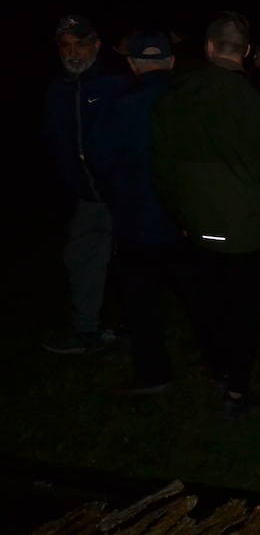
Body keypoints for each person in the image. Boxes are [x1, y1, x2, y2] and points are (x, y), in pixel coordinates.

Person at [152, 12, 260, 417]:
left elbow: (161, 170)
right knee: (244, 311)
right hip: (248, 233)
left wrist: (181, 214)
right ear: (246, 52)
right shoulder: (255, 104)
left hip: (197, 228)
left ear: (209, 48)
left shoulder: (173, 99)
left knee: (209, 303)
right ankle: (236, 393)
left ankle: (219, 369)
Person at [84, 31, 187, 394]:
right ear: (172, 62)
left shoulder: (122, 106)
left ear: (132, 64)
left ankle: (155, 373)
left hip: (138, 223)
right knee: (201, 297)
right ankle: (223, 370)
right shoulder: (190, 101)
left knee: (142, 303)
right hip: (188, 222)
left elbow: (99, 158)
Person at [43, 14, 129, 355]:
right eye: (66, 46)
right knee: (81, 260)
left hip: (122, 196)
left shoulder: (114, 83)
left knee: (135, 264)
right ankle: (86, 332)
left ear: (95, 45)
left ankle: (136, 329)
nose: (73, 52)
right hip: (87, 198)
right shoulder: (57, 90)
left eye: (80, 44)